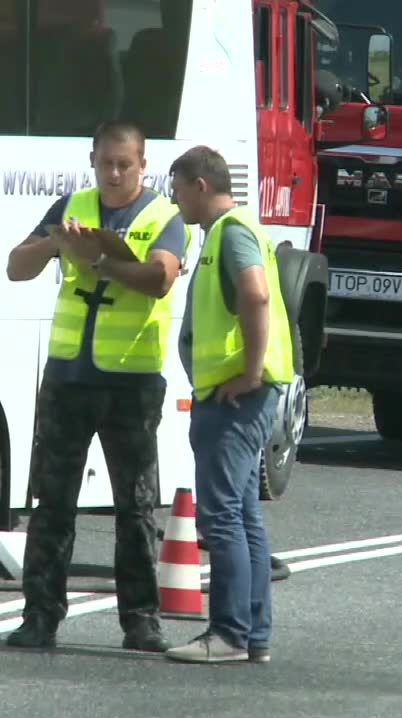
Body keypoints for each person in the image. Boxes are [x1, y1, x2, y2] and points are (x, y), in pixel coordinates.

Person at [3, 121, 189, 653]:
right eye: (105, 162)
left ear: (142, 165)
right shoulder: (72, 205)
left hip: (130, 382)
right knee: (52, 503)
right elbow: (16, 267)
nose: (113, 173)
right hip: (68, 378)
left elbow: (160, 279)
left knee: (135, 507)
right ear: (92, 159)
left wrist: (101, 262)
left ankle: (141, 620)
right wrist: (51, 246)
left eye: (124, 164)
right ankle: (40, 616)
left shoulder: (163, 215)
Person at [164, 145, 295, 664]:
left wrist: (249, 370)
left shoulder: (232, 233)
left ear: (200, 186)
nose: (176, 205)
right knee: (242, 515)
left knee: (220, 516)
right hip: (243, 393)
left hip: (235, 396)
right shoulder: (236, 230)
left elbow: (256, 296)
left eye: (177, 192)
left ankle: (229, 634)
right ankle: (252, 636)